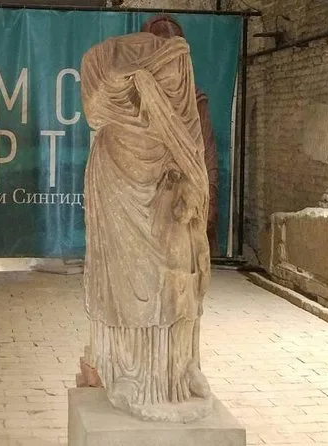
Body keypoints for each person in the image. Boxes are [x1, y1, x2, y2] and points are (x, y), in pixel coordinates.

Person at [80, 30, 211, 418]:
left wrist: (192, 182)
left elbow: (190, 138)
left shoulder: (179, 61)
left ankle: (180, 368)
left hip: (167, 181)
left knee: (180, 273)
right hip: (119, 178)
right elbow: (95, 105)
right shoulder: (104, 63)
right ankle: (128, 371)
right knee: (128, 279)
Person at [142, 15, 219, 255]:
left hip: (185, 199)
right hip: (148, 197)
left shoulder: (195, 100)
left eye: (175, 55)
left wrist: (210, 200)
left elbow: (207, 155)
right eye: (162, 52)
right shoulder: (138, 98)